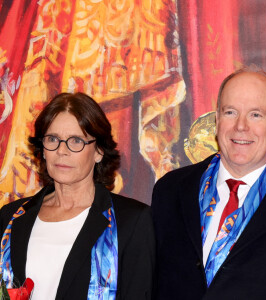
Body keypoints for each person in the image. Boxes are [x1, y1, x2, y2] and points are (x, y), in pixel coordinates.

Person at [152, 66, 266, 299]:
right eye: (231, 112)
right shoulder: (169, 190)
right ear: (217, 120)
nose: (241, 126)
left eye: (256, 114)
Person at [0, 92, 155, 300]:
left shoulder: (131, 221)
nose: (62, 151)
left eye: (76, 141)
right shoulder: (11, 217)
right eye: (53, 139)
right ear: (43, 149)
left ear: (99, 151)